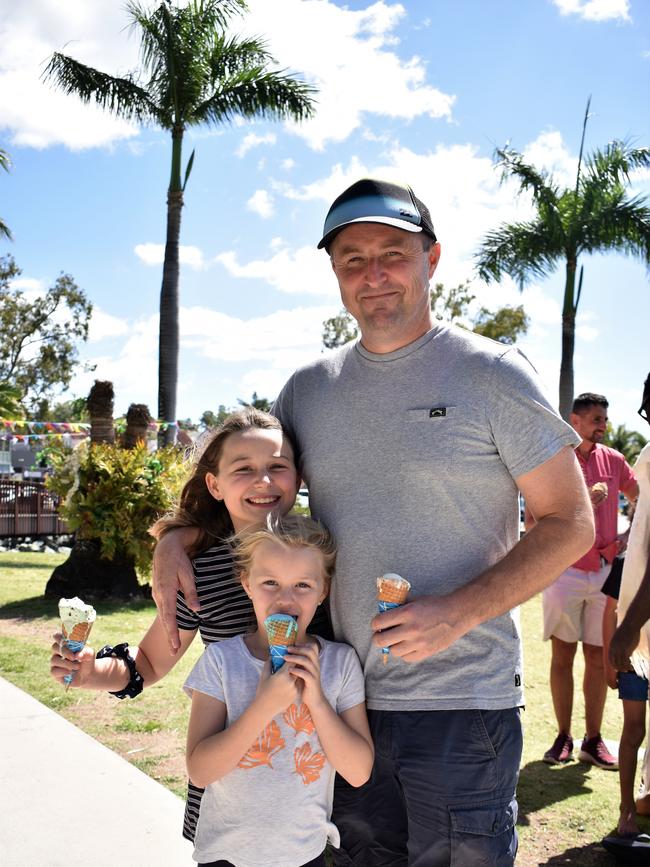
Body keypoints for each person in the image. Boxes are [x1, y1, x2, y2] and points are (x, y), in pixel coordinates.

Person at [152, 177, 595, 866]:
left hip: (460, 706)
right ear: (334, 272)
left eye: (394, 251)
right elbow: (258, 496)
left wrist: (457, 611)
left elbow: (570, 521)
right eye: (352, 258)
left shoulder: (494, 372)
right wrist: (176, 535)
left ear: (433, 258)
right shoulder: (306, 391)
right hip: (335, 699)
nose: (375, 273)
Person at [49, 407, 318, 843]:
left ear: (299, 478)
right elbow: (150, 663)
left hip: (312, 784)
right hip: (230, 786)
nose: (263, 481)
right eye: (243, 469)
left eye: (277, 468)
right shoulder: (198, 572)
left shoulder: (325, 557)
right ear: (214, 484)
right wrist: (90, 672)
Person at [185, 513, 373, 867]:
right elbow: (200, 770)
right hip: (226, 855)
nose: (286, 599)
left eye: (302, 585)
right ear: (246, 584)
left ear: (323, 591)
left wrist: (316, 701)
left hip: (305, 854)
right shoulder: (221, 662)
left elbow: (359, 771)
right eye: (270, 582)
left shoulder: (339, 664)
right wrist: (264, 705)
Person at [533, 393, 638, 769]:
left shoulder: (615, 460)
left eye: (604, 418)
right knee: (562, 655)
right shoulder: (555, 460)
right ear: (574, 420)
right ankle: (563, 736)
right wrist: (581, 505)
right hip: (564, 571)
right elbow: (534, 520)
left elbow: (641, 499)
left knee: (598, 656)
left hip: (606, 575)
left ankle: (593, 741)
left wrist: (628, 539)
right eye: (595, 418)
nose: (602, 425)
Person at [609, 373, 650, 823]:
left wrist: (628, 628)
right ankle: (627, 811)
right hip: (637, 635)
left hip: (638, 630)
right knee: (633, 726)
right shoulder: (647, 457)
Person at [602, 548, 648, 836]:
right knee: (633, 730)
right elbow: (610, 611)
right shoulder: (625, 562)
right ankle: (626, 809)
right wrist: (610, 660)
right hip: (631, 661)